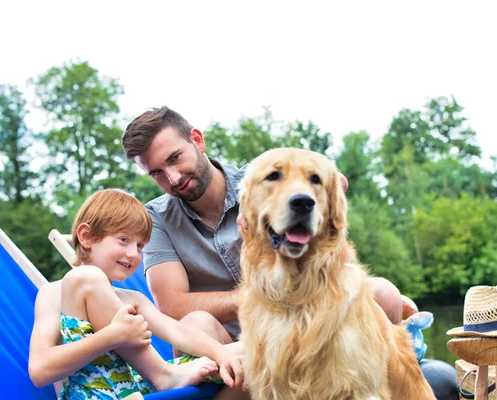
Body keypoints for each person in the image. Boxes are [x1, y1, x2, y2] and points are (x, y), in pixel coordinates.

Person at [122, 106, 459, 400]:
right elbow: (172, 305)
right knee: (196, 321)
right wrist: (266, 299)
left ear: (197, 140)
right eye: (156, 173)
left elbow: (333, 183)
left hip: (311, 314)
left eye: (175, 158)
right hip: (235, 344)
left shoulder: (264, 177)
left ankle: (387, 364)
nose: (173, 177)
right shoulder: (156, 218)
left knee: (381, 291)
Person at [28, 189, 244, 399]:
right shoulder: (56, 292)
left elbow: (178, 332)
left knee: (254, 350)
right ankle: (162, 373)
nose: (133, 253)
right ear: (86, 237)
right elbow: (39, 371)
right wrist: (112, 336)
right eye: (124, 240)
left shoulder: (132, 299)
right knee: (86, 277)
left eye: (140, 246)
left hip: (135, 388)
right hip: (90, 394)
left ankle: (166, 374)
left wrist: (221, 354)